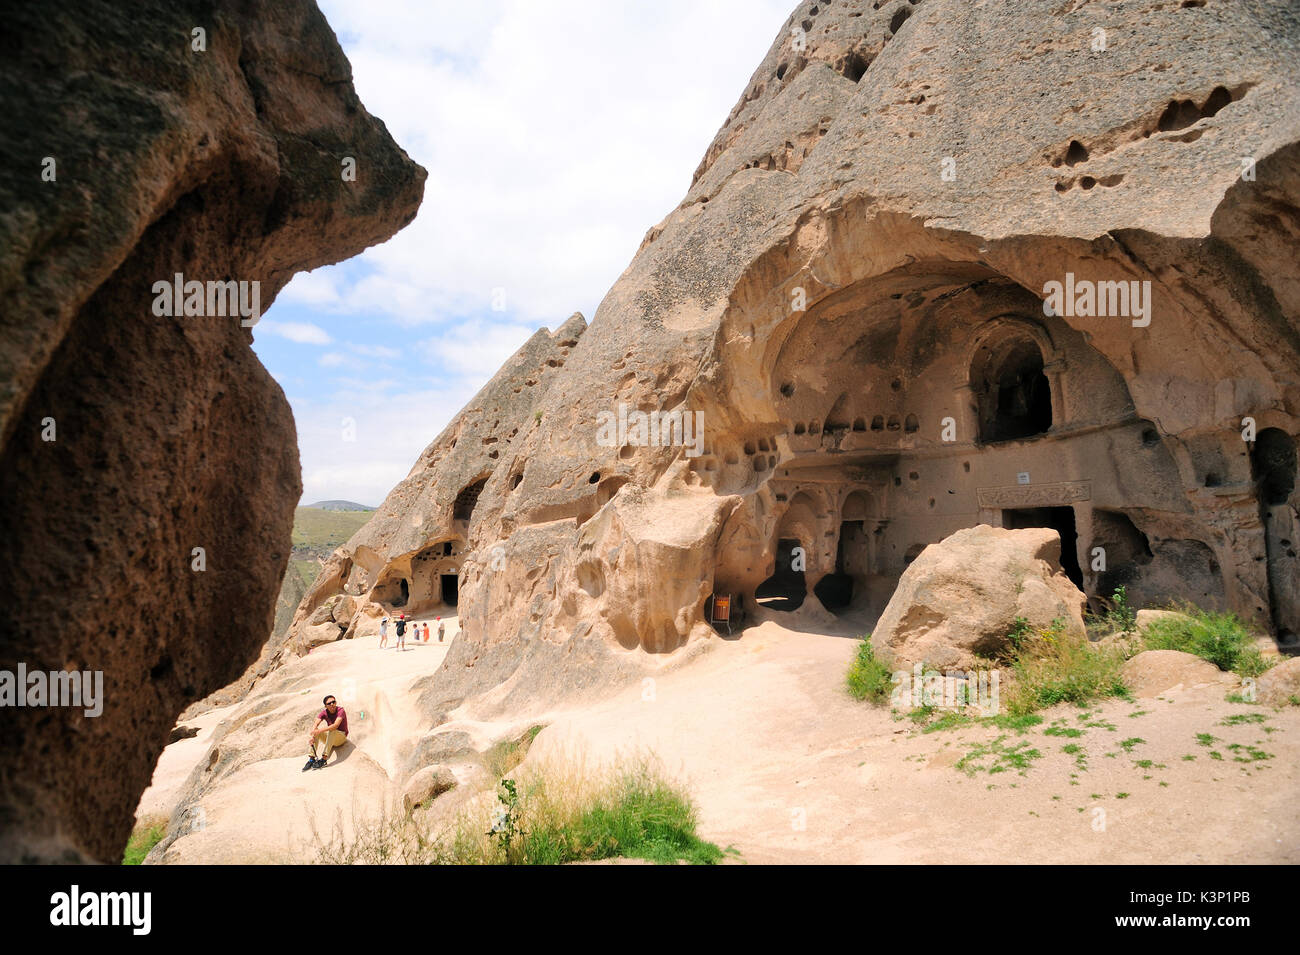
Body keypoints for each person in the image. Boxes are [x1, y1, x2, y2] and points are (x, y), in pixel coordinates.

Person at [304, 694, 349, 770]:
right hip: (332, 738)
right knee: (317, 731)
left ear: (336, 702)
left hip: (341, 738)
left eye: (333, 702)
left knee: (331, 730)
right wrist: (312, 736)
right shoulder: (324, 712)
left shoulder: (341, 710)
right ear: (325, 706)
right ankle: (312, 759)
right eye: (329, 703)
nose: (332, 704)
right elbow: (316, 724)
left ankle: (324, 759)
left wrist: (319, 731)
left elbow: (335, 725)